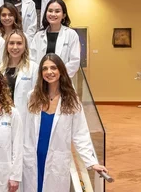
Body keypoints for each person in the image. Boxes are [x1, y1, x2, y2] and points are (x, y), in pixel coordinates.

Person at [23, 54, 108, 192]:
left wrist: (91, 162)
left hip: (57, 159)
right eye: (45, 69)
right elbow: (26, 130)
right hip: (33, 158)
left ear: (61, 71)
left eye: (53, 68)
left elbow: (80, 134)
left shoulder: (71, 100)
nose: (49, 72)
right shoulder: (32, 96)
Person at [30, 0, 80, 78]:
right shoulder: (38, 36)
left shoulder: (71, 35)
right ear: (46, 13)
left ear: (63, 15)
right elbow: (32, 60)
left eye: (57, 11)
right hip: (41, 80)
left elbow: (74, 61)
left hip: (63, 81)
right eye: (50, 11)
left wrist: (58, 76)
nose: (53, 14)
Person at [0, 30, 38, 123]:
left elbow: (37, 95)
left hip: (25, 117)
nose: (15, 47)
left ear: (25, 46)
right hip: (4, 116)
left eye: (19, 43)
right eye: (11, 43)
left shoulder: (33, 68)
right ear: (6, 46)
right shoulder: (0, 68)